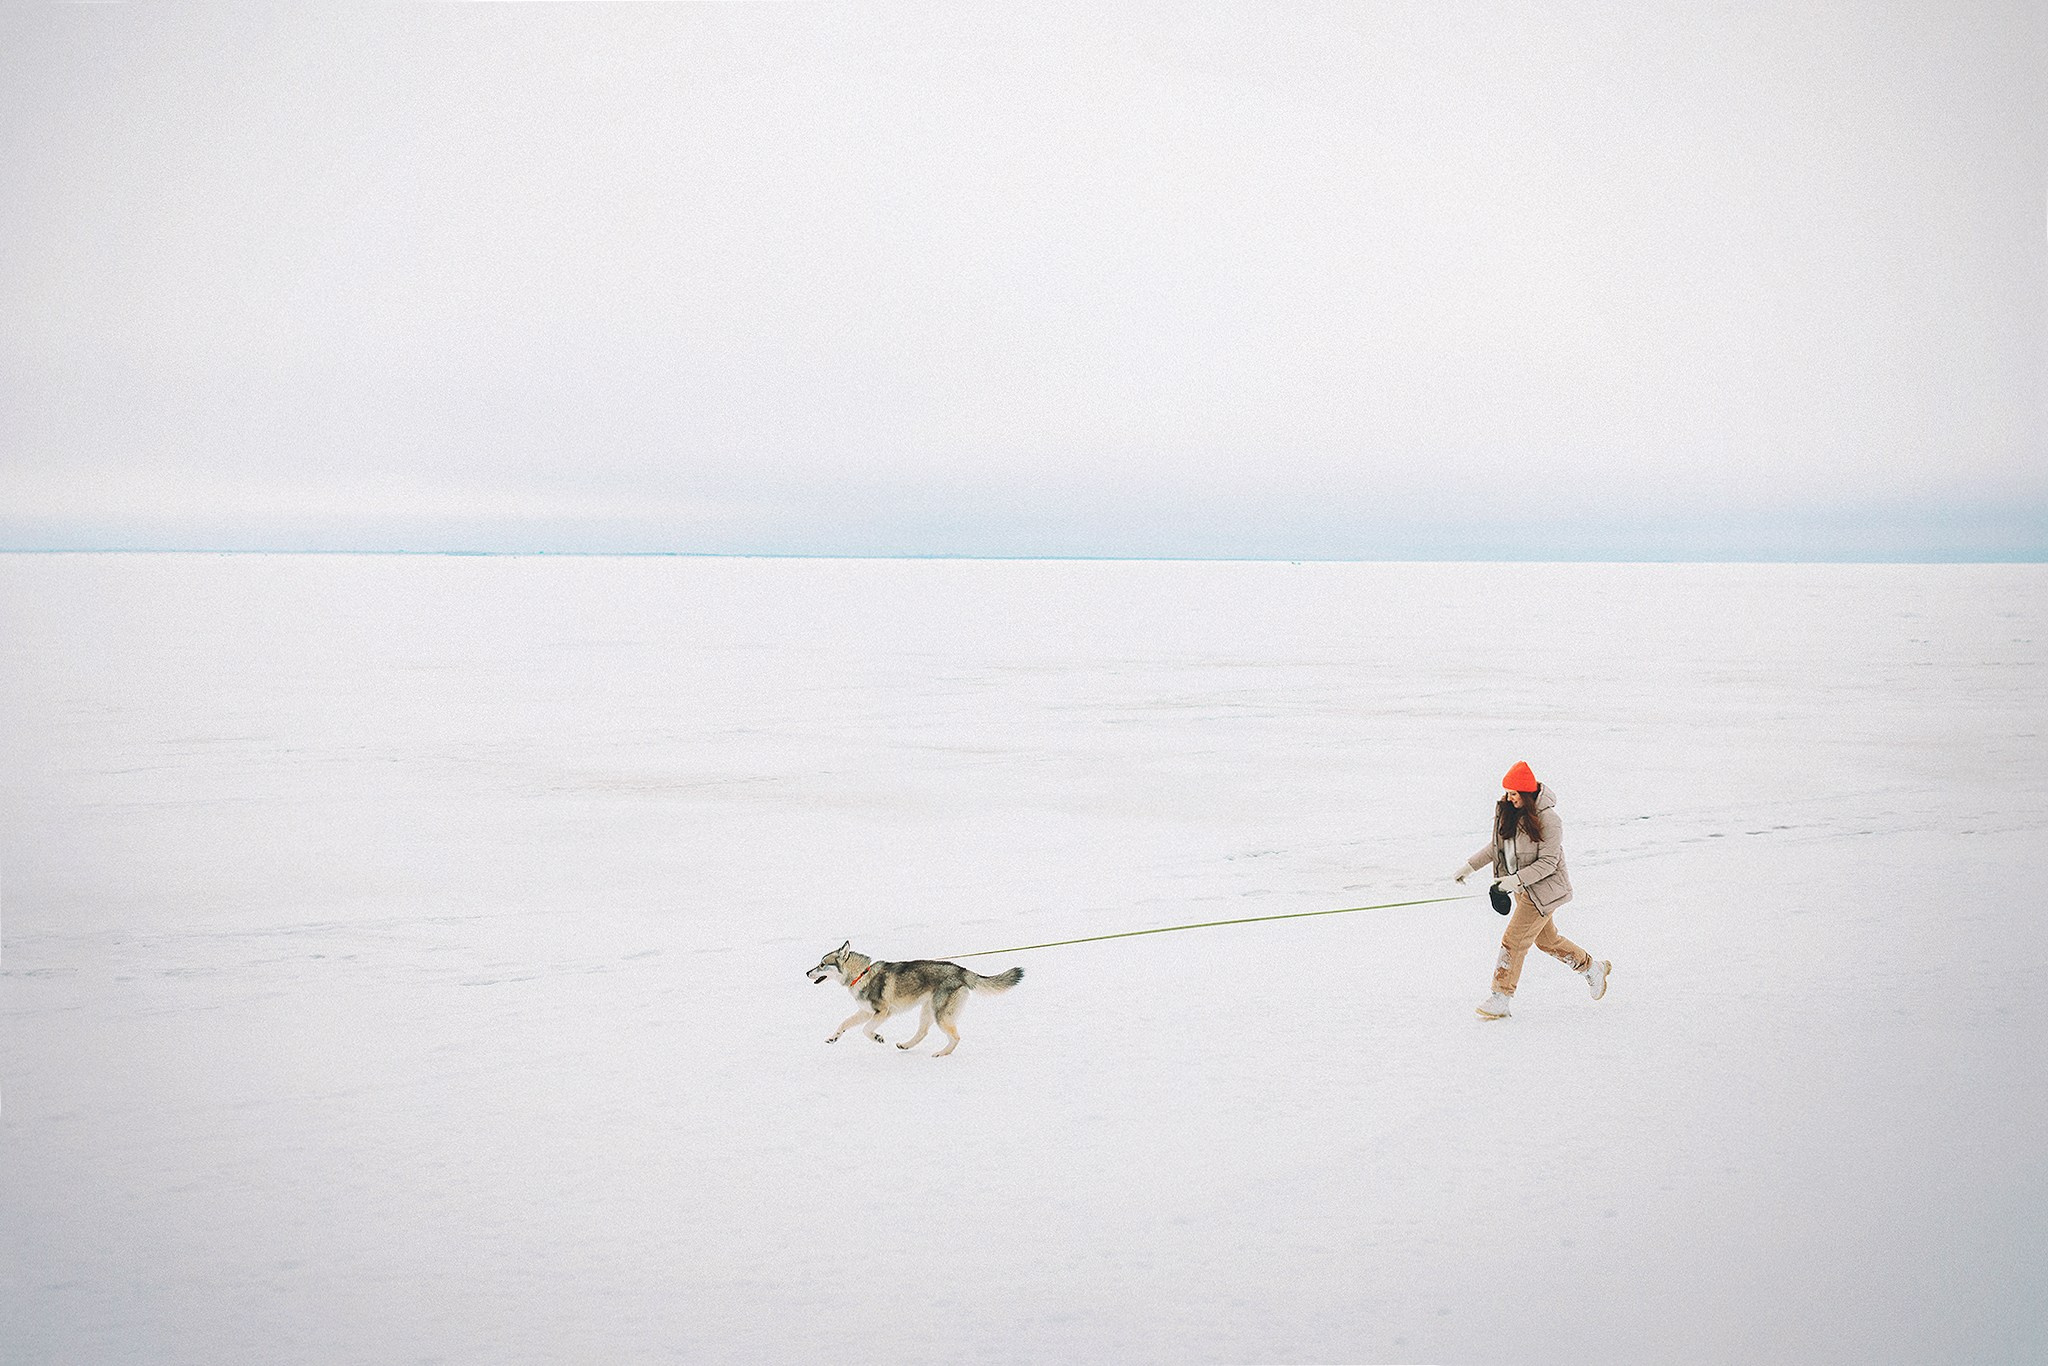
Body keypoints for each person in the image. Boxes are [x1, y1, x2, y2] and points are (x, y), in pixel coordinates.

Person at [1453, 761, 1610, 1019]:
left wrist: (1514, 880)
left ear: (1526, 794)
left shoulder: (1549, 819)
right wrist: (1469, 867)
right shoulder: (1510, 812)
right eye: (1507, 793)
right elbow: (1496, 848)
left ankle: (1500, 997)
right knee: (1547, 941)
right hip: (1522, 889)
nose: (1509, 797)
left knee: (1513, 941)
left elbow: (1548, 863)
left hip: (1544, 891)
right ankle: (1592, 968)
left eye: (1514, 794)